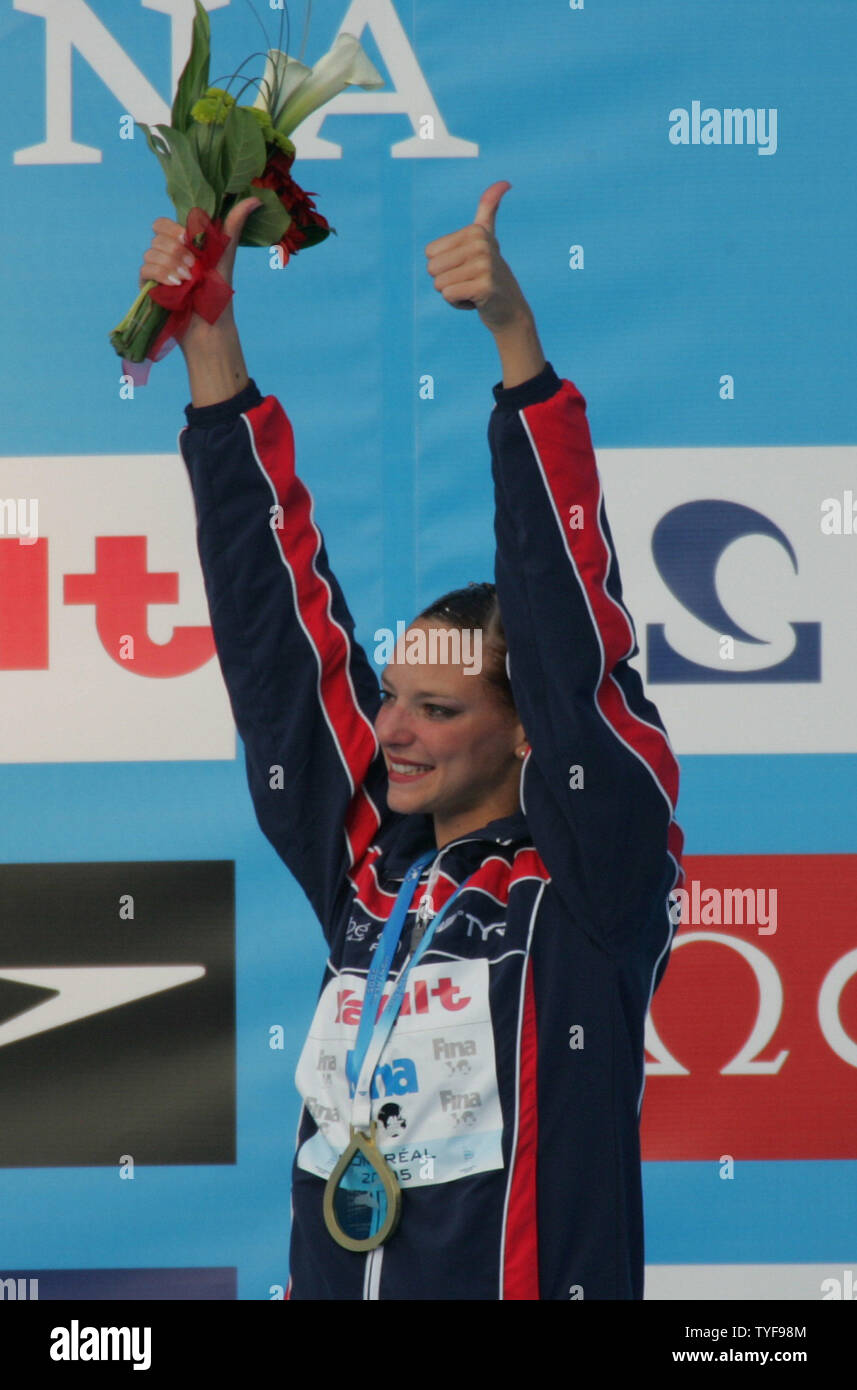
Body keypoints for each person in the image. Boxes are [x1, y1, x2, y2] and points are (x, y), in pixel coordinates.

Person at [140, 180, 683, 1300]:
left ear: (527, 730)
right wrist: (210, 343)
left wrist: (515, 351)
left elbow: (571, 636)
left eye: (438, 710)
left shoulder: (588, 890)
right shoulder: (373, 869)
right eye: (394, 696)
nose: (393, 731)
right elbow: (275, 637)